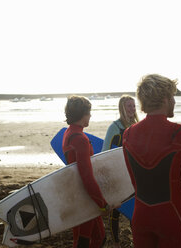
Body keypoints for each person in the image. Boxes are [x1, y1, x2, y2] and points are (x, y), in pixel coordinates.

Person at [122, 74, 181, 248]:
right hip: (171, 215)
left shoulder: (128, 134)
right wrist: (175, 205)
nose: (174, 101)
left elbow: (134, 181)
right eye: (172, 97)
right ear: (165, 99)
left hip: (140, 215)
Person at [63, 95, 111, 248]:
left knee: (99, 237)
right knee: (83, 242)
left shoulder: (69, 132)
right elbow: (86, 176)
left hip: (79, 194)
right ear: (82, 115)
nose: (90, 115)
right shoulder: (80, 139)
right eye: (88, 112)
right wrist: (102, 204)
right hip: (84, 197)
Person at [101, 95, 139, 248]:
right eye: (129, 106)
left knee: (134, 210)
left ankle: (137, 240)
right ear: (122, 108)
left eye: (134, 106)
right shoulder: (115, 127)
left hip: (133, 176)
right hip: (117, 176)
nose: (132, 109)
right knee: (116, 211)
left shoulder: (137, 125)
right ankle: (116, 243)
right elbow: (104, 152)